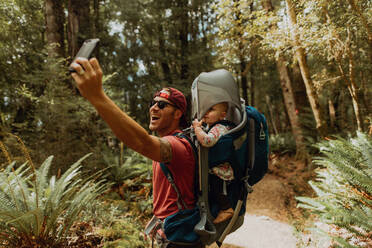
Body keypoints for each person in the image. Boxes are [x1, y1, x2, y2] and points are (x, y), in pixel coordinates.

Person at [70, 57, 202, 248]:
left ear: (178, 114)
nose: (154, 107)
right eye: (153, 103)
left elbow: (142, 142)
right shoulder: (168, 143)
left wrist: (97, 96)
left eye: (163, 105)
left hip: (180, 241)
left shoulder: (179, 147)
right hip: (168, 236)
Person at [192, 102, 235, 224]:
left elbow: (207, 140)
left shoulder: (219, 128)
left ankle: (226, 209)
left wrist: (197, 129)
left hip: (220, 170)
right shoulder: (211, 127)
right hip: (215, 168)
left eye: (211, 109)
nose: (206, 112)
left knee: (217, 189)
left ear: (222, 116)